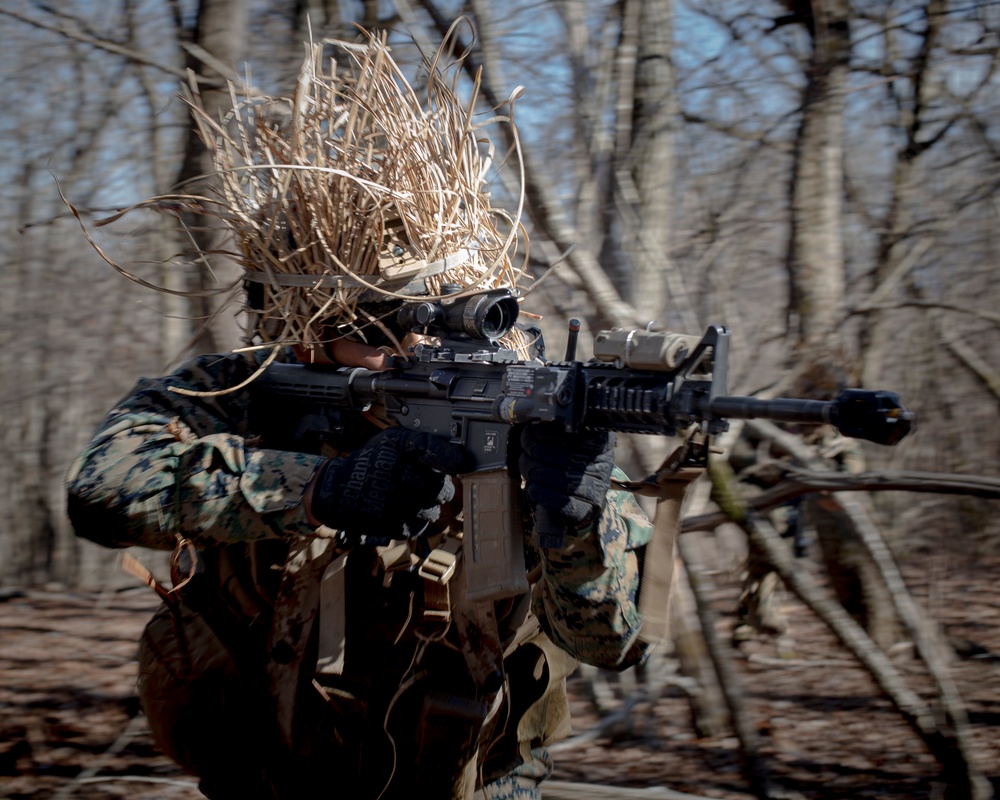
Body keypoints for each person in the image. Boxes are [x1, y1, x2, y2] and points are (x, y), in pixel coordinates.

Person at [66, 31, 659, 800]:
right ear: (305, 330)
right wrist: (316, 489)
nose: (416, 347)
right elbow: (102, 490)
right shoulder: (238, 393)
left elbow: (606, 643)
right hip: (267, 780)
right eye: (381, 330)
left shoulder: (530, 418)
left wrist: (573, 524)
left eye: (437, 322)